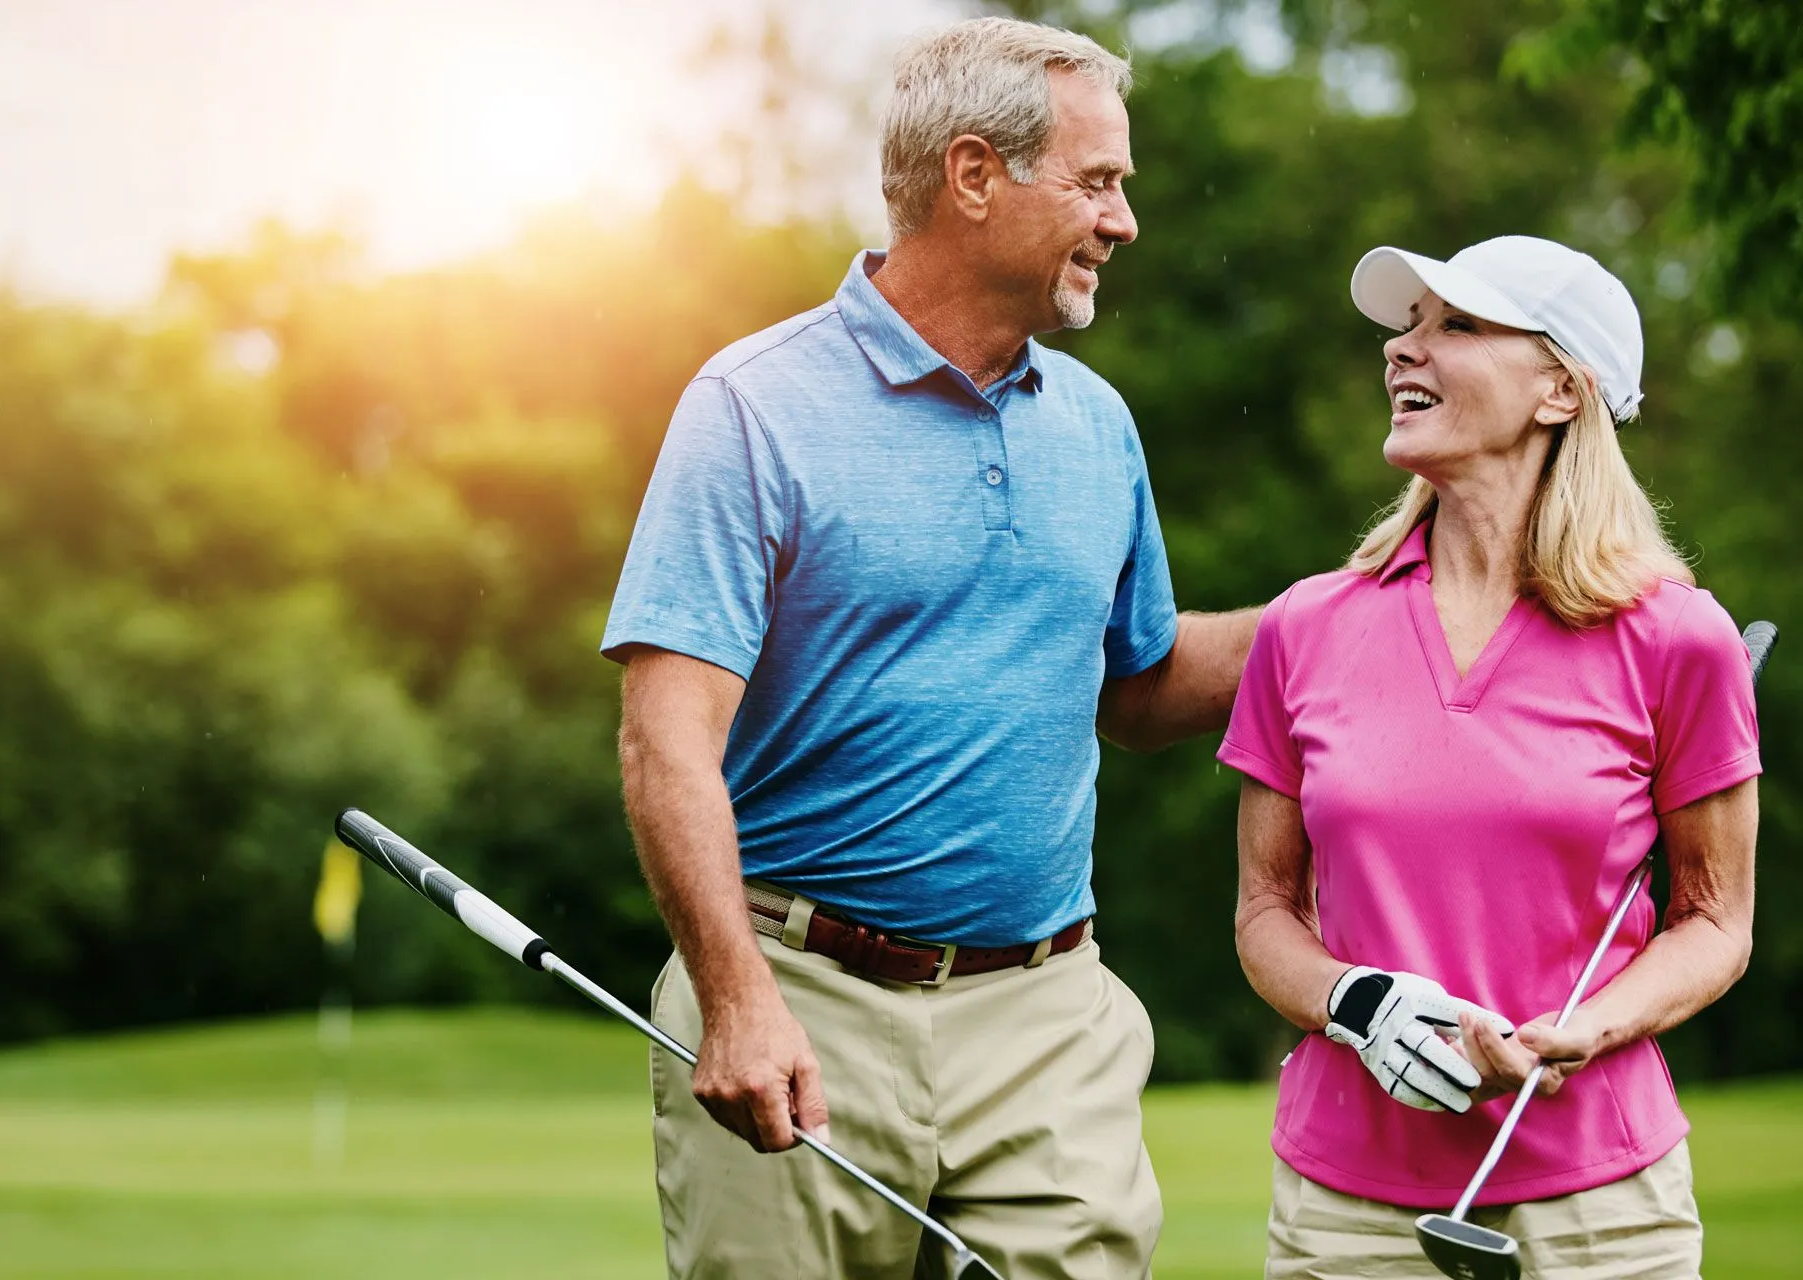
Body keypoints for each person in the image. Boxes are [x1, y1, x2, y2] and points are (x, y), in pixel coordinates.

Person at [601, 16, 1259, 1279]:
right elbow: (665, 733)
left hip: (1047, 1013)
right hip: (802, 996)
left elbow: (1140, 684)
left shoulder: (1098, 424)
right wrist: (735, 996)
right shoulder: (754, 405)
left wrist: (1350, 614)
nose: (1124, 220)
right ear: (973, 176)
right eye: (1099, 180)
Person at [1221, 234, 1760, 1278]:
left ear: (1561, 388)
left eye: (1454, 325)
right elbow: (1263, 912)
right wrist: (1360, 1004)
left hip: (1606, 1208)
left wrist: (1587, 1029)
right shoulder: (1306, 625)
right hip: (1346, 1214)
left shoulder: (1679, 637)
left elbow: (1715, 919)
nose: (1401, 349)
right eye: (1408, 324)